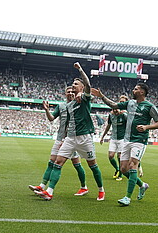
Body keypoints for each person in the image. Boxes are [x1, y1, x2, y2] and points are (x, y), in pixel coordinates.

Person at [34, 62, 105, 201]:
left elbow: (89, 85)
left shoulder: (85, 98)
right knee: (58, 162)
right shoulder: (70, 104)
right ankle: (49, 191)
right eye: (72, 84)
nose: (73, 85)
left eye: (76, 84)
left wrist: (80, 70)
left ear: (82, 88)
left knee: (93, 165)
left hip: (85, 138)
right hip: (70, 138)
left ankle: (101, 190)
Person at [91, 83, 158, 206]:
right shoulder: (130, 104)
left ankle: (127, 197)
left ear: (142, 92)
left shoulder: (149, 107)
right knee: (123, 169)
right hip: (127, 140)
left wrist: (146, 127)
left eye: (136, 89)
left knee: (133, 165)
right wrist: (101, 96)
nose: (133, 90)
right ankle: (142, 185)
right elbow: (113, 105)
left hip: (139, 140)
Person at [29, 87, 87, 195]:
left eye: (71, 91)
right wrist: (46, 110)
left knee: (75, 164)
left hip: (71, 140)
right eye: (68, 92)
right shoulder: (61, 106)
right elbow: (51, 118)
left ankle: (83, 187)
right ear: (65, 94)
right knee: (51, 162)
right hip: (59, 138)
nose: (70, 93)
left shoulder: (78, 106)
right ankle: (42, 186)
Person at [100, 95, 128, 181]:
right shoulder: (111, 115)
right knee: (111, 156)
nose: (115, 111)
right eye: (114, 109)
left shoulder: (124, 115)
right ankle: (117, 169)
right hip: (113, 138)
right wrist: (102, 136)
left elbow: (129, 126)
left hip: (122, 139)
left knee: (120, 156)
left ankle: (120, 174)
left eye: (116, 109)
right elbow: (108, 126)